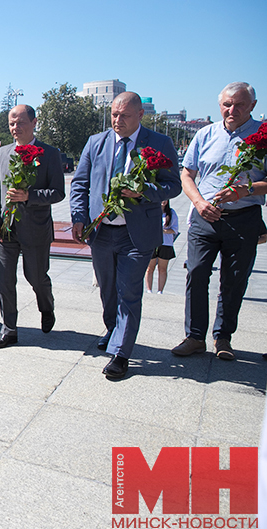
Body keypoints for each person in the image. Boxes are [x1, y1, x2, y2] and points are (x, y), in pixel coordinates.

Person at [70, 92, 181, 379]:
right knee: (107, 290)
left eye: (125, 116)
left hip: (137, 234)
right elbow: (81, 183)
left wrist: (145, 191)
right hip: (102, 231)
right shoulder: (96, 142)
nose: (118, 121)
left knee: (129, 292)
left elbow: (173, 186)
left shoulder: (159, 144)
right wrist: (79, 218)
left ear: (140, 116)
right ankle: (112, 329)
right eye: (114, 115)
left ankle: (121, 353)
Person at [171, 82, 265, 361]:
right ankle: (195, 336)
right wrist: (199, 202)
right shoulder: (205, 134)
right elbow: (187, 174)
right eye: (226, 104)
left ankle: (223, 337)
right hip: (205, 217)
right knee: (197, 272)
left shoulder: (263, 136)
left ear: (252, 106)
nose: (231, 110)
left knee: (234, 280)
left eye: (238, 104)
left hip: (244, 218)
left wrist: (246, 190)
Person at [0, 104, 65, 348]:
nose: (15, 127)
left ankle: (47, 306)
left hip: (35, 228)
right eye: (11, 123)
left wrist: (30, 196)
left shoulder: (49, 153)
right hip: (6, 230)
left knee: (36, 277)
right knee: (5, 280)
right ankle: (9, 329)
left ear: (34, 123)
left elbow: (58, 192)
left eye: (20, 122)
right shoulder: (2, 153)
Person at [145, 200, 178, 294]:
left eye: (165, 200)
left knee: (162, 268)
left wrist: (163, 231)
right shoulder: (152, 211)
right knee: (150, 268)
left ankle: (160, 290)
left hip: (166, 243)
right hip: (152, 242)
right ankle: (149, 290)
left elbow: (175, 229)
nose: (163, 201)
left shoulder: (171, 213)